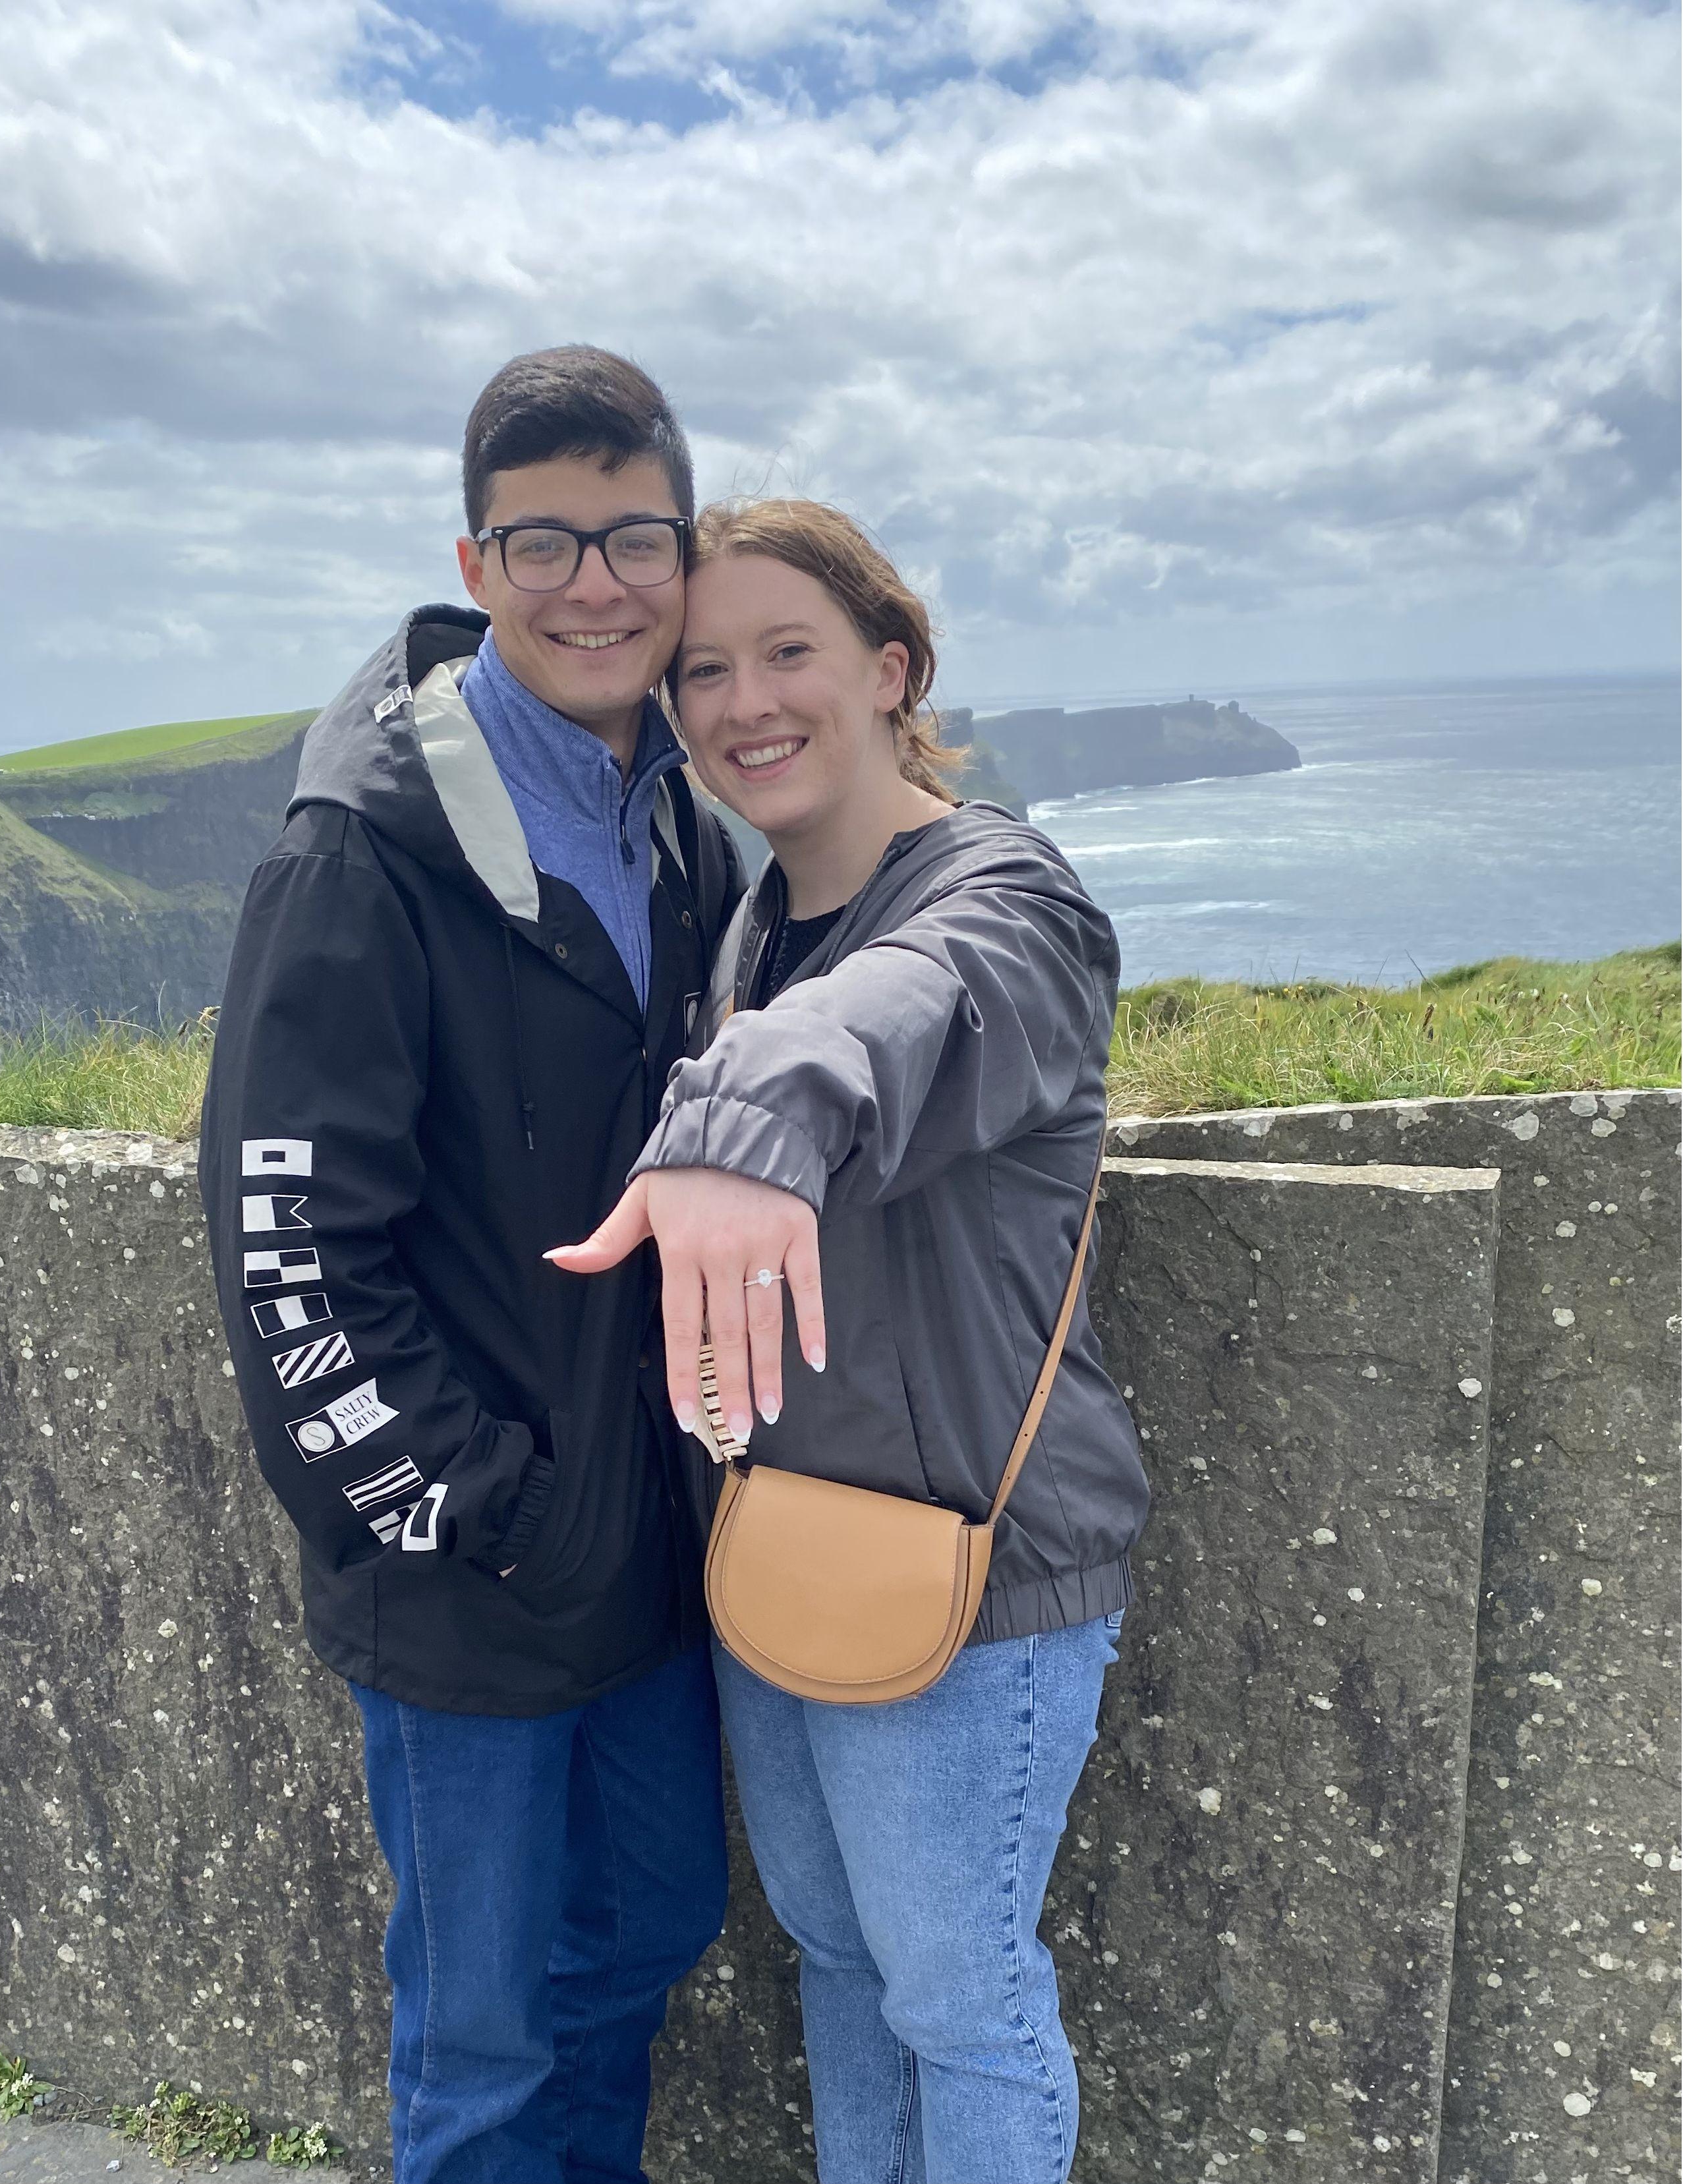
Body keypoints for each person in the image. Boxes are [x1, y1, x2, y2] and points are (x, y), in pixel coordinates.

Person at [550, 498, 1151, 2184]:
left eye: (790, 652)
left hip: (971, 1571)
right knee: (838, 1957)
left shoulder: (1006, 895)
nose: (744, 701)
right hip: (786, 1541)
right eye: (704, 671)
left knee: (961, 2001)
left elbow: (905, 1007)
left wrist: (739, 1112)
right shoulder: (758, 923)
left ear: (893, 672)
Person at [199, 347, 745, 2184]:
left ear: (685, 548)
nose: (596, 583)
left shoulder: (672, 813)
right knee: (483, 2044)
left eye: (634, 537)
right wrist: (488, 1508)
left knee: (649, 1939)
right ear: (477, 555)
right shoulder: (360, 846)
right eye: (546, 542)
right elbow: (289, 1250)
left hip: (649, 1549)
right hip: (470, 1568)